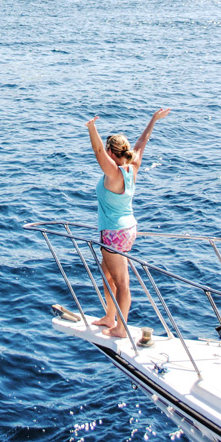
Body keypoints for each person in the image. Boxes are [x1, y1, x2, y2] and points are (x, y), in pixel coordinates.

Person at [85, 108, 171, 338]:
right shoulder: (133, 167)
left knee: (121, 281)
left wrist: (91, 128)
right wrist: (153, 119)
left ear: (112, 153)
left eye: (108, 150)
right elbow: (142, 143)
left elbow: (97, 151)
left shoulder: (113, 172)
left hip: (113, 233)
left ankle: (121, 328)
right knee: (107, 273)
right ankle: (109, 316)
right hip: (127, 229)